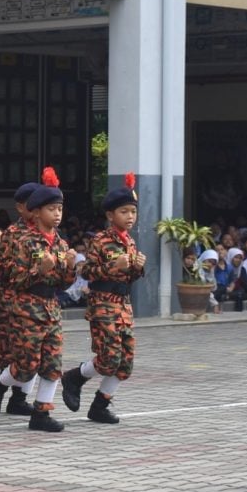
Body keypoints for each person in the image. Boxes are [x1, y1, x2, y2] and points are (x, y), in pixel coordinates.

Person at [0, 167, 75, 432]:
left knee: (52, 364)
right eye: (51, 209)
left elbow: (63, 283)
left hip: (50, 308)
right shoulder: (20, 238)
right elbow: (12, 278)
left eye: (60, 208)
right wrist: (40, 269)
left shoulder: (59, 241)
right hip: (24, 308)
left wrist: (68, 269)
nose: (57, 214)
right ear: (35, 212)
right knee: (26, 366)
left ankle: (41, 413)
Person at [62, 172, 146, 424]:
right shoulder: (100, 240)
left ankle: (100, 405)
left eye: (132, 211)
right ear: (110, 215)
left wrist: (137, 267)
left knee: (125, 362)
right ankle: (75, 377)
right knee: (109, 358)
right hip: (103, 304)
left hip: (123, 305)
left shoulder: (129, 241)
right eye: (124, 212)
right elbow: (86, 271)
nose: (130, 216)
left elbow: (128, 276)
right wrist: (114, 266)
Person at [0, 181, 41, 417]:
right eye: (34, 204)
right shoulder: (13, 235)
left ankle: (19, 398)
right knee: (9, 354)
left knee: (34, 353)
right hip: (13, 304)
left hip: (39, 306)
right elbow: (9, 274)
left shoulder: (48, 233)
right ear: (21, 207)